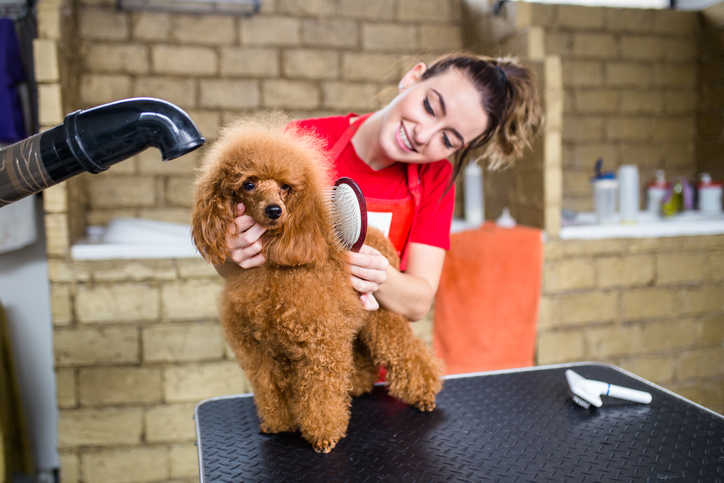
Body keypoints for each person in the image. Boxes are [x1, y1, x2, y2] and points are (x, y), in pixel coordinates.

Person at [216, 53, 542, 320]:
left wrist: (378, 274)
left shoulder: (434, 177)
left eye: (448, 139)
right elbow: (228, 261)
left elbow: (417, 302)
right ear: (412, 78)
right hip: (288, 346)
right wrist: (232, 254)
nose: (424, 135)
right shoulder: (300, 141)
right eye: (430, 107)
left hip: (377, 374)